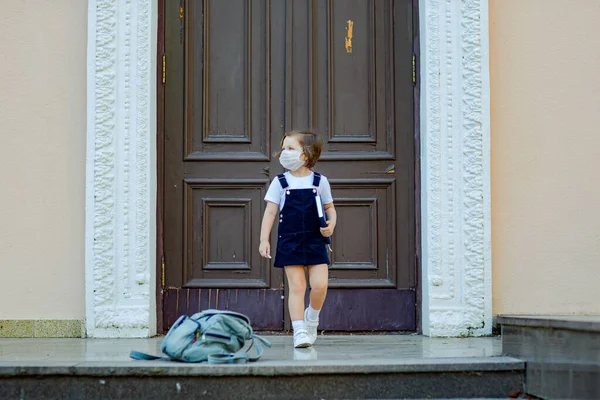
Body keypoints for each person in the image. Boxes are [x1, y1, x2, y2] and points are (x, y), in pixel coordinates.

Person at [259, 131, 337, 348]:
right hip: (290, 241)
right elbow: (270, 213)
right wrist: (264, 239)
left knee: (320, 285)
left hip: (315, 240)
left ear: (306, 154)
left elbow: (330, 209)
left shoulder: (320, 181)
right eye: (283, 148)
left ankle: (312, 317)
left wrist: (332, 224)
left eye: (290, 149)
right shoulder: (280, 182)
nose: (285, 153)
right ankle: (299, 330)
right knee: (297, 286)